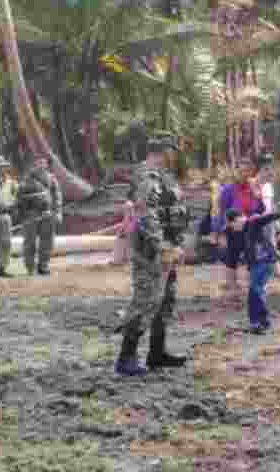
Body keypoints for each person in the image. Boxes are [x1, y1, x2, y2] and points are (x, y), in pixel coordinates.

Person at [115, 133, 189, 376]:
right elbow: (146, 214)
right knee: (146, 301)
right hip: (151, 251)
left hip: (166, 247)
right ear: (162, 150)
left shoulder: (163, 176)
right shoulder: (147, 176)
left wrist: (176, 243)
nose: (174, 156)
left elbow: (172, 211)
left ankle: (157, 353)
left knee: (165, 300)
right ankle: (126, 357)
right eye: (172, 151)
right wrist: (163, 246)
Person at [237, 192, 280, 333]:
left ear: (238, 219)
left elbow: (264, 218)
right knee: (255, 292)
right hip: (261, 263)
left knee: (255, 291)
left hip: (263, 262)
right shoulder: (246, 232)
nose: (234, 229)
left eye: (233, 225)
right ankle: (258, 322)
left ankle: (260, 322)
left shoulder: (252, 222)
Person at [211, 156, 265, 300]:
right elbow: (221, 211)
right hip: (233, 230)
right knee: (231, 260)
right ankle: (233, 291)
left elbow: (261, 209)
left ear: (251, 172)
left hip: (250, 229)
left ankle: (253, 290)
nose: (244, 174)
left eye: (247, 171)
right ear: (236, 172)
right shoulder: (228, 189)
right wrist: (220, 231)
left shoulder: (254, 188)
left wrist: (257, 199)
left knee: (252, 260)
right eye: (241, 171)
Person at [17, 153, 62, 275]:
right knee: (29, 242)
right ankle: (30, 267)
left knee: (47, 242)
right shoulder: (26, 179)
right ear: (34, 164)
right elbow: (19, 198)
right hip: (31, 215)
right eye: (38, 162)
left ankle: (43, 266)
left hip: (48, 214)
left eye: (44, 162)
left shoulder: (52, 179)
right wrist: (35, 197)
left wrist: (57, 212)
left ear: (47, 164)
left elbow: (57, 197)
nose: (41, 165)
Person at [112, 200, 137, 266]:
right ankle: (124, 260)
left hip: (127, 233)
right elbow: (128, 222)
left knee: (122, 245)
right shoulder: (132, 215)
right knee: (126, 247)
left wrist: (122, 230)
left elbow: (127, 221)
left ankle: (119, 260)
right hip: (129, 233)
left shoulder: (129, 214)